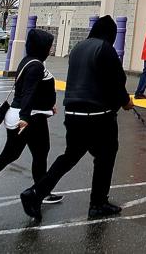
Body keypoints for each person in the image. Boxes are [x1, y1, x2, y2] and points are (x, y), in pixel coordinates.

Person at [20, 15, 132, 221]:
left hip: (72, 113)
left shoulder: (78, 48)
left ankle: (36, 193)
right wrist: (126, 102)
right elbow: (116, 81)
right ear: (111, 34)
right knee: (105, 157)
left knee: (69, 156)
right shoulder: (105, 49)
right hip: (98, 115)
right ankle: (98, 203)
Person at [0, 28, 64, 207]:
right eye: (48, 46)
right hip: (28, 118)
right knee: (30, 154)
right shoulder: (35, 65)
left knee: (27, 154)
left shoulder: (30, 61)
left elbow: (35, 90)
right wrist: (25, 117)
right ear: (41, 46)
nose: (50, 49)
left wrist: (49, 105)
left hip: (28, 115)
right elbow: (28, 93)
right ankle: (39, 191)